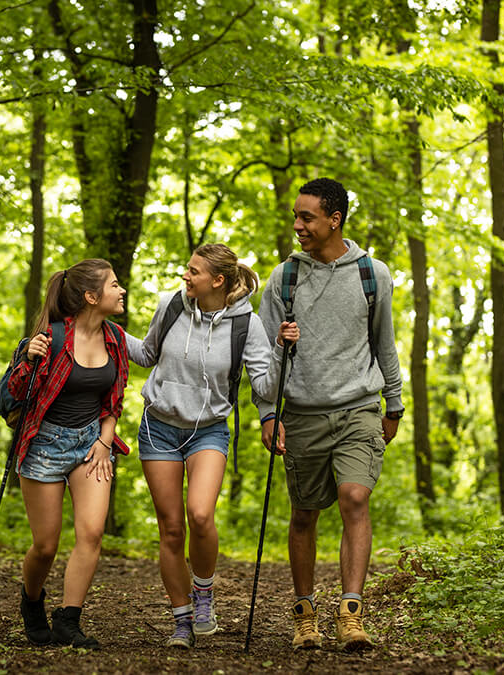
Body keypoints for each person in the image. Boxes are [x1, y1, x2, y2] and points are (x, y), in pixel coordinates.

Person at [255, 178, 404, 652]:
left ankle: (351, 615)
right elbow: (262, 357)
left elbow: (385, 343)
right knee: (304, 515)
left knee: (354, 497)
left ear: (334, 219)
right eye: (296, 216)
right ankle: (305, 617)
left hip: (360, 407)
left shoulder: (372, 274)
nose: (297, 225)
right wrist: (266, 413)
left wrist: (394, 403)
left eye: (307, 217)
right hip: (300, 413)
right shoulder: (284, 278)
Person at [126, 243, 299, 649]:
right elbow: (147, 353)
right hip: (159, 427)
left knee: (200, 515)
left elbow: (265, 387)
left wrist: (280, 350)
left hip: (208, 430)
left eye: (194, 272)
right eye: (187, 269)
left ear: (217, 281)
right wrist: (102, 327)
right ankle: (182, 620)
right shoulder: (171, 305)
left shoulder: (246, 324)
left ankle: (203, 593)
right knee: (170, 529)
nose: (185, 276)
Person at [7, 258, 129, 649]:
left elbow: (114, 401)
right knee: (45, 545)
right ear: (91, 297)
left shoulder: (116, 339)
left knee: (92, 533)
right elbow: (14, 397)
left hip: (90, 445)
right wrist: (28, 358)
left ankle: (68, 619)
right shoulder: (52, 339)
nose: (121, 290)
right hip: (44, 446)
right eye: (114, 285)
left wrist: (104, 441)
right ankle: (31, 602)